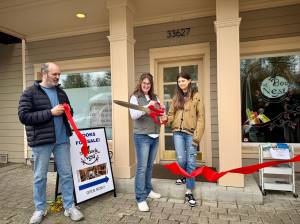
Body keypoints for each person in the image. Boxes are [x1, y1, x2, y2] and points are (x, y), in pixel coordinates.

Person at [18, 62, 84, 224]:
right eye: (55, 74)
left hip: (62, 141)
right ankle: (39, 209)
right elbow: (24, 117)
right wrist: (50, 112)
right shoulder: (30, 92)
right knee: (40, 176)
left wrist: (67, 110)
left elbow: (70, 112)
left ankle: (69, 206)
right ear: (44, 74)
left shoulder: (61, 92)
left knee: (66, 174)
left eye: (58, 74)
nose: (57, 77)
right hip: (42, 141)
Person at [163, 72, 205, 207]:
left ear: (189, 81)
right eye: (179, 81)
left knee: (191, 161)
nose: (181, 83)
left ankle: (189, 191)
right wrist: (165, 119)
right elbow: (171, 114)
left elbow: (201, 118)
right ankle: (183, 175)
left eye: (183, 81)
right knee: (181, 159)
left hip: (191, 133)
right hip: (178, 133)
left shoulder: (197, 96)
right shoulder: (176, 97)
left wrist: (197, 137)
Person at [129, 73, 162, 212]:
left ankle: (148, 190)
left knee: (149, 166)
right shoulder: (135, 97)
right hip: (142, 136)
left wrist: (163, 115)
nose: (146, 85)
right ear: (140, 83)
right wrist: (148, 106)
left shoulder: (155, 97)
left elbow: (160, 112)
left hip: (155, 135)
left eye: (148, 83)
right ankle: (140, 198)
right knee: (142, 168)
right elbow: (134, 115)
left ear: (151, 84)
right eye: (144, 83)